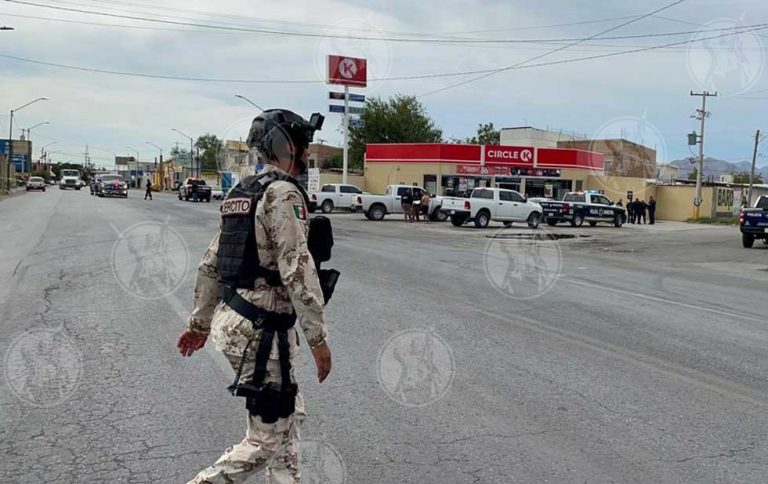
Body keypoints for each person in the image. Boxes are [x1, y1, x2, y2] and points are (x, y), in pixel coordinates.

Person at [177, 108, 334, 484]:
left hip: (239, 321)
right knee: (265, 440)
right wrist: (318, 339)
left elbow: (211, 264)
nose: (306, 154)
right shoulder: (281, 195)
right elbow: (297, 268)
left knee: (287, 418)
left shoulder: (242, 192)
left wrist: (200, 324)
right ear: (284, 145)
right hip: (262, 334)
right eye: (302, 145)